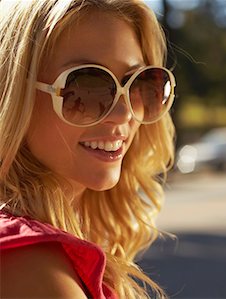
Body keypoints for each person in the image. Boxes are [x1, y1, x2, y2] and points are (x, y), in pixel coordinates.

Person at [0, 0, 176, 298]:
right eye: (84, 86)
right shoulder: (27, 262)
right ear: (13, 94)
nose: (123, 114)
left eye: (138, 83)